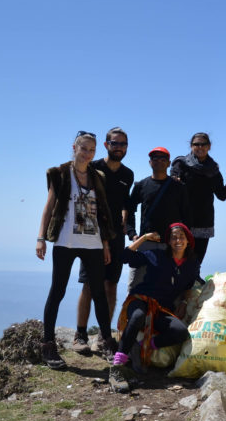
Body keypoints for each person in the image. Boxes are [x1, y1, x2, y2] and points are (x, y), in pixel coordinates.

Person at [35, 131, 115, 370]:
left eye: (92, 150)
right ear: (75, 148)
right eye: (84, 149)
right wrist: (41, 238)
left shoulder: (97, 176)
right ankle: (48, 345)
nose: (88, 153)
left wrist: (106, 244)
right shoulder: (60, 174)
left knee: (99, 293)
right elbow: (48, 208)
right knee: (57, 291)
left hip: (93, 243)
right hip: (65, 241)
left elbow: (102, 214)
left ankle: (108, 343)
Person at [108, 223, 201, 393]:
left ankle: (142, 346)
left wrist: (185, 303)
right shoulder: (156, 254)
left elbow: (190, 285)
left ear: (188, 241)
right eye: (173, 237)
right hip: (141, 299)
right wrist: (143, 238)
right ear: (168, 241)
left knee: (180, 332)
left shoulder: (192, 263)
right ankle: (117, 368)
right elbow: (124, 257)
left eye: (181, 237)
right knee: (137, 317)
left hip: (161, 309)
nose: (178, 240)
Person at [73, 128, 133, 355]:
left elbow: (127, 202)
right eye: (115, 143)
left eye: (123, 144)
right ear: (107, 145)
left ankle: (103, 336)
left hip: (116, 236)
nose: (119, 147)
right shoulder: (93, 168)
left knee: (110, 285)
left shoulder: (128, 175)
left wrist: (126, 218)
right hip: (92, 234)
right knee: (89, 284)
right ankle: (80, 335)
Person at [124, 146, 191, 290]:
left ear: (168, 163)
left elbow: (186, 216)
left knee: (168, 286)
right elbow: (130, 210)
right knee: (136, 285)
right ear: (150, 162)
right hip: (146, 243)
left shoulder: (178, 187)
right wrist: (132, 234)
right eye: (155, 158)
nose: (159, 161)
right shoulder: (141, 185)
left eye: (163, 159)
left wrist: (183, 242)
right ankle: (134, 312)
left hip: (170, 244)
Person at [170, 132, 226, 261]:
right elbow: (173, 186)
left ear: (209, 146)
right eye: (196, 144)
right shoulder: (181, 164)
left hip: (204, 221)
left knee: (197, 261)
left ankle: (194, 279)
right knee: (178, 260)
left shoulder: (213, 170)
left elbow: (222, 195)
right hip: (182, 219)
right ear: (191, 146)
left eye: (203, 144)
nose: (200, 147)